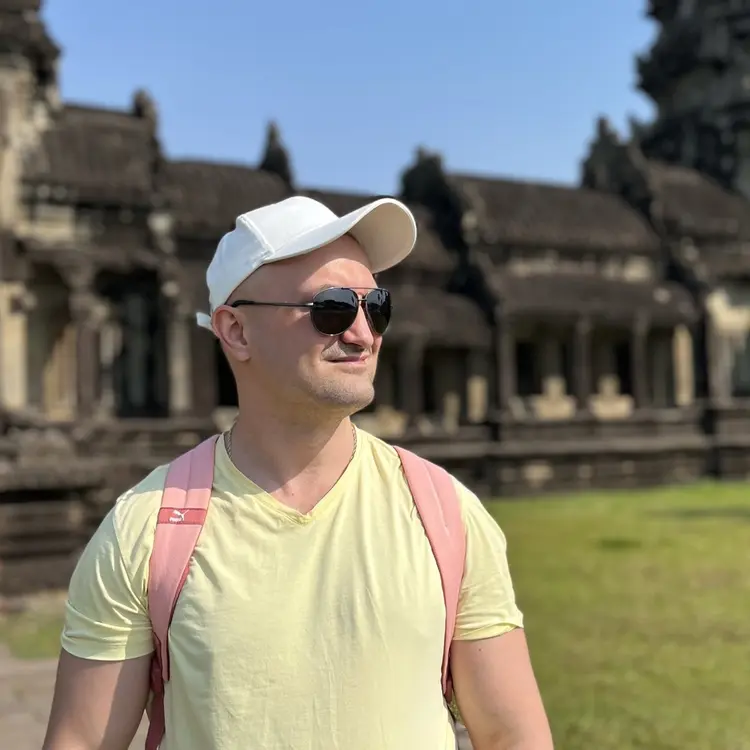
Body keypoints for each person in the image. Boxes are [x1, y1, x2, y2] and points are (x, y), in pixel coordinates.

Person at [42, 195, 553, 750]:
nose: (362, 334)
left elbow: (511, 735)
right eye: (332, 308)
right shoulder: (146, 528)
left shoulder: (446, 514)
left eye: (376, 307)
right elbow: (80, 740)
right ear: (236, 331)